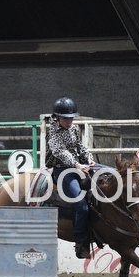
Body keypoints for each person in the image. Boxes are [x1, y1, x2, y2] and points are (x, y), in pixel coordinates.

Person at [45, 97, 96, 259]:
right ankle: (80, 242)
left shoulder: (73, 129)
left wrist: (89, 158)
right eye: (66, 118)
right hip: (62, 171)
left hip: (78, 166)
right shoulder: (52, 132)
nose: (69, 121)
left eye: (71, 118)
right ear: (58, 117)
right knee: (82, 206)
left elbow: (80, 147)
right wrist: (77, 165)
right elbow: (60, 152)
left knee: (108, 175)